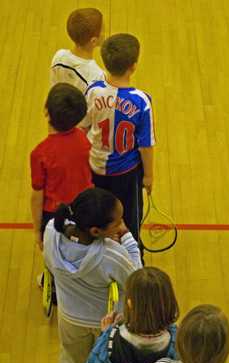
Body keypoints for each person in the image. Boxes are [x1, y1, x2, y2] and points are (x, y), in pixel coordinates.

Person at [43, 187, 142, 363]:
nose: (121, 224)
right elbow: (137, 281)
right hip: (107, 323)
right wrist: (128, 239)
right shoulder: (111, 254)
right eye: (117, 222)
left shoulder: (51, 231)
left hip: (69, 319)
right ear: (96, 231)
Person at [81, 33, 155, 242]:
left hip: (94, 167)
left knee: (98, 214)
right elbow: (145, 146)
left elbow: (83, 126)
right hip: (127, 174)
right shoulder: (141, 101)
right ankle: (133, 256)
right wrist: (148, 176)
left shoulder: (93, 91)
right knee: (130, 218)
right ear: (133, 66)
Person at [79, 267, 179, 363]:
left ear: (130, 304)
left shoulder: (108, 342)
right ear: (169, 302)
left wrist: (104, 334)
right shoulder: (178, 342)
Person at [30, 82, 93, 250]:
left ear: (46, 111)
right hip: (84, 209)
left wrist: (37, 230)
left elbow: (37, 196)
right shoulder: (84, 140)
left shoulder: (39, 153)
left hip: (54, 216)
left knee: (55, 258)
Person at [50, 8, 105, 93]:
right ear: (93, 41)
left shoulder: (59, 56)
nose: (104, 33)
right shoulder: (98, 76)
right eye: (103, 30)